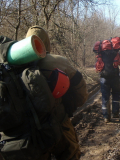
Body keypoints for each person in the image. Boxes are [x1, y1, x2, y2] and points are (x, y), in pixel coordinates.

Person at [25, 26, 89, 160]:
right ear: (46, 42)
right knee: (70, 153)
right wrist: (74, 105)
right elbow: (80, 89)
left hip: (29, 129)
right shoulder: (59, 61)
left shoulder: (16, 64)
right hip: (59, 121)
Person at [98, 39, 120, 123]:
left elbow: (96, 67)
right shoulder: (117, 54)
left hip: (104, 79)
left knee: (105, 97)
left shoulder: (100, 54)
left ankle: (106, 117)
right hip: (115, 78)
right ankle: (115, 113)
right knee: (116, 95)